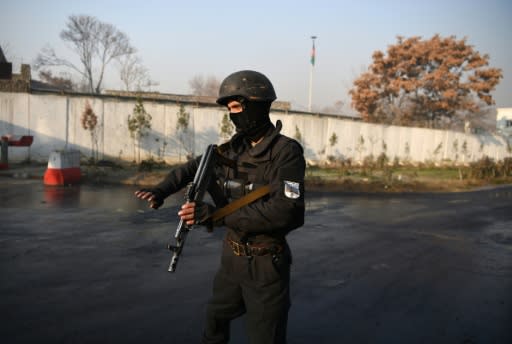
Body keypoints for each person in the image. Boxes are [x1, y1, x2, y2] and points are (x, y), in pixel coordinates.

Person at [135, 70, 305, 344]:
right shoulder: (234, 148)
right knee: (214, 323)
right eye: (229, 109)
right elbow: (195, 167)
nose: (232, 114)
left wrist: (216, 216)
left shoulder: (285, 152)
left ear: (258, 104)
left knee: (264, 336)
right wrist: (162, 189)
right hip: (232, 259)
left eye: (237, 107)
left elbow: (288, 211)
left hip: (265, 263)